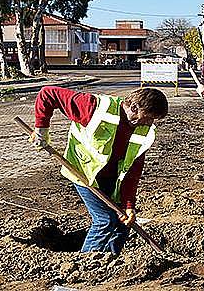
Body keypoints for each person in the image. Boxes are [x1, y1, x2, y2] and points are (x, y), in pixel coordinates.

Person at [29, 86, 168, 255]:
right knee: (105, 220)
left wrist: (129, 205)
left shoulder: (143, 131)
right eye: (149, 118)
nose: (149, 123)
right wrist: (41, 130)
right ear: (134, 108)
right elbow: (47, 94)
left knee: (123, 223)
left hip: (112, 178)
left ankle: (110, 261)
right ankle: (84, 265)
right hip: (84, 173)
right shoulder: (94, 107)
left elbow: (133, 171)